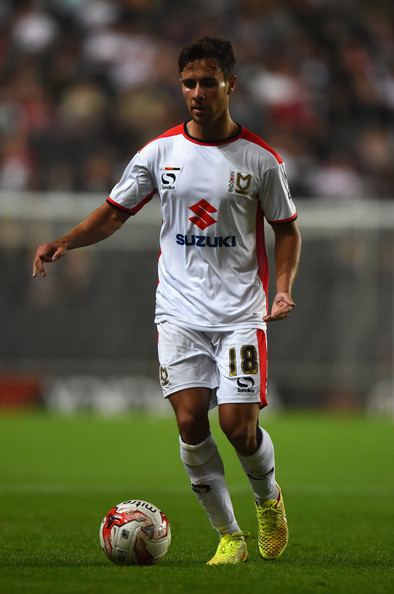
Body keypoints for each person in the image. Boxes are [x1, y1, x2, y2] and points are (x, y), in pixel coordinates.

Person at [33, 37, 301, 565]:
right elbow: (114, 212)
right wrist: (66, 239)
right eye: (189, 83)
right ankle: (230, 537)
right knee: (189, 422)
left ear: (231, 84)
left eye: (208, 82)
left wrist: (284, 287)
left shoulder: (260, 160)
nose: (198, 93)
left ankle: (268, 499)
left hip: (242, 314)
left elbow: (287, 230)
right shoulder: (159, 154)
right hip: (178, 312)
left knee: (238, 428)